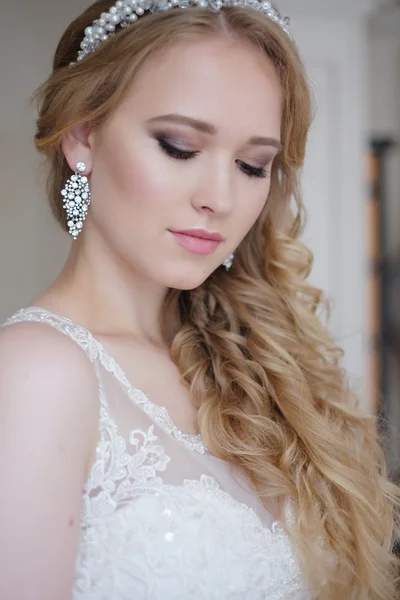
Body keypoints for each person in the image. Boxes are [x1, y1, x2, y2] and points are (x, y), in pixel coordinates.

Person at [0, 1, 399, 599]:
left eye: (251, 164)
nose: (220, 197)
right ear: (82, 134)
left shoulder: (249, 364)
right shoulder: (36, 373)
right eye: (180, 147)